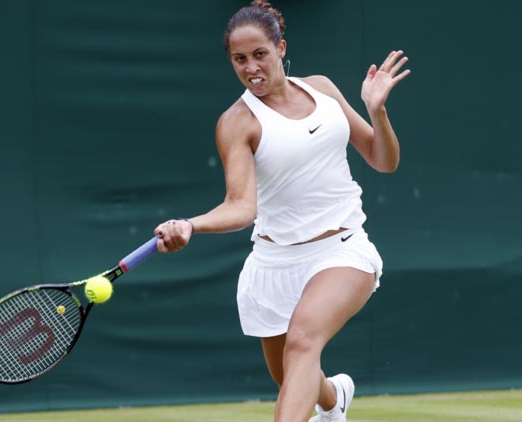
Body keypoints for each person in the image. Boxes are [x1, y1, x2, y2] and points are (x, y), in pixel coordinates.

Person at [153, 1, 410, 420]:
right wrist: (190, 225)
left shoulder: (322, 89)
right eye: (239, 59)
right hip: (272, 264)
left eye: (260, 54)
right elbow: (240, 206)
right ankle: (334, 401)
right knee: (295, 375)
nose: (251, 67)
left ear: (281, 48)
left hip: (342, 248)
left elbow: (384, 160)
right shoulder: (237, 122)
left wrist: (377, 112)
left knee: (302, 344)